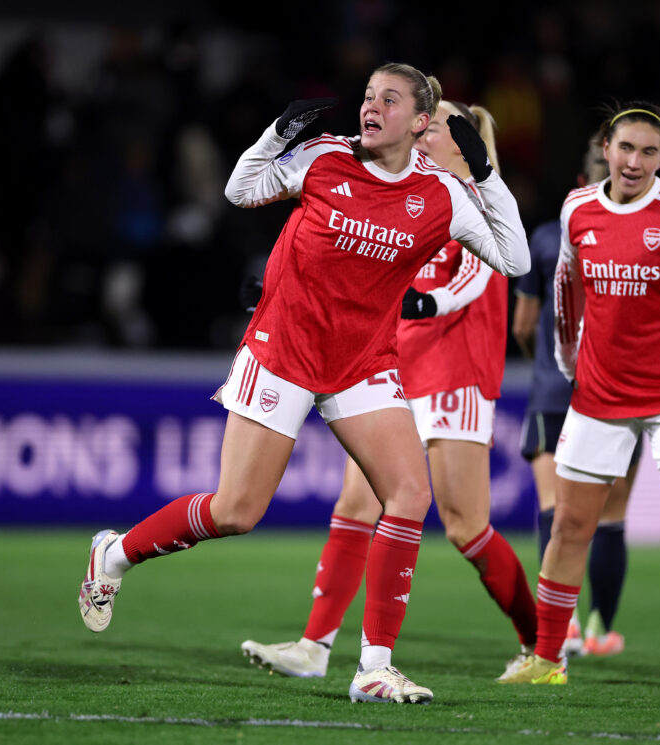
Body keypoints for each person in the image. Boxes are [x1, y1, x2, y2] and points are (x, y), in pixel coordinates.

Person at [76, 62, 530, 705]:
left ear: (421, 121)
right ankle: (114, 555)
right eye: (369, 96)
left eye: (389, 100)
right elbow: (240, 191)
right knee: (237, 511)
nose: (371, 107)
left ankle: (374, 666)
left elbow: (516, 260)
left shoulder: (443, 196)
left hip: (362, 363)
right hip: (284, 350)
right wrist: (274, 136)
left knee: (407, 493)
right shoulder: (324, 157)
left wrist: (485, 179)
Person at [239, 99, 539, 682]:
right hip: (391, 367)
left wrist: (424, 301)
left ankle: (542, 641)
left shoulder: (469, 201)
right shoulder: (407, 191)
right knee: (356, 504)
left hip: (454, 372)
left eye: (444, 125)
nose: (427, 133)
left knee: (464, 525)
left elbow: (484, 274)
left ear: (465, 142)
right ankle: (316, 646)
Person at [500, 102, 660, 691]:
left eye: (649, 151)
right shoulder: (577, 210)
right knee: (568, 529)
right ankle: (547, 657)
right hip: (599, 395)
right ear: (605, 150)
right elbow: (565, 287)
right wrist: (567, 360)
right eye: (626, 148)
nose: (635, 161)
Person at [513, 136, 640, 658]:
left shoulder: (545, 238)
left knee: (553, 511)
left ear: (579, 185)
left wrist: (544, 360)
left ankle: (557, 628)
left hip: (553, 390)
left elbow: (522, 324)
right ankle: (600, 629)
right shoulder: (646, 238)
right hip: (621, 392)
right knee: (610, 517)